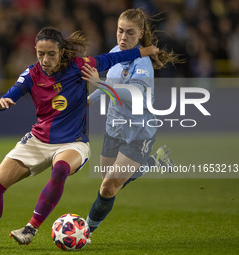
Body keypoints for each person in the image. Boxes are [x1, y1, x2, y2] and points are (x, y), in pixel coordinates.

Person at [0, 26, 161, 250]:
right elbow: (15, 90)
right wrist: (4, 100)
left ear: (61, 52)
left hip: (73, 143)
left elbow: (114, 57)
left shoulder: (78, 67)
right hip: (38, 140)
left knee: (60, 170)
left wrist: (146, 50)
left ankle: (31, 228)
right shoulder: (31, 74)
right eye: (40, 54)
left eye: (51, 54)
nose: (45, 60)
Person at [80, 9, 180, 239]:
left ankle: (85, 233)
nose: (123, 37)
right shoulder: (116, 52)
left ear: (140, 35)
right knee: (107, 182)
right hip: (114, 129)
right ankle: (155, 160)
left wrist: (99, 85)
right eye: (120, 31)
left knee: (108, 188)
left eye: (130, 33)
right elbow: (108, 83)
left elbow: (132, 94)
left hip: (138, 132)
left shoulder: (142, 63)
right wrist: (89, 100)